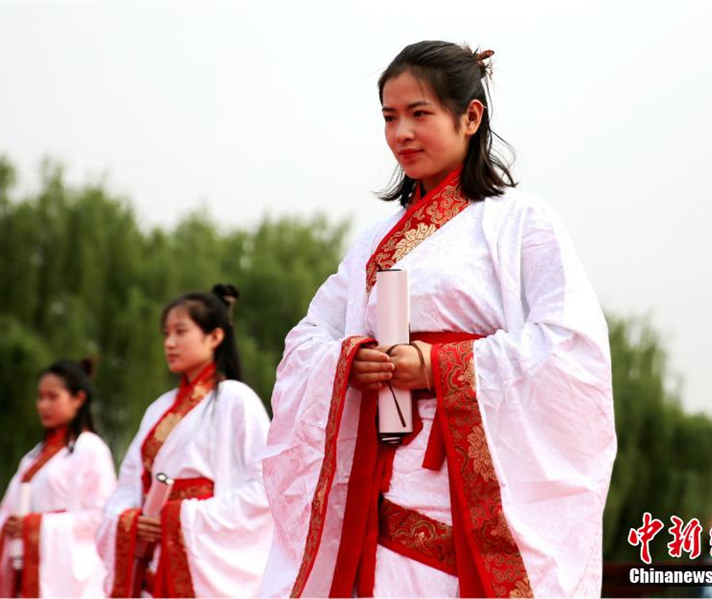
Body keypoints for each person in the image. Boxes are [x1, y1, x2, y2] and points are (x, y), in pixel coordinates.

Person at [260, 40, 617, 598]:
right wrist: (352, 361)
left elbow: (571, 347)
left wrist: (441, 365)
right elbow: (308, 337)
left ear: (470, 117)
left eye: (419, 113)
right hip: (376, 476)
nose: (401, 132)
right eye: (389, 117)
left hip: (467, 481)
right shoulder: (373, 243)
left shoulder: (521, 222)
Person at [97, 284, 272, 598]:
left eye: (180, 332)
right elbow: (127, 487)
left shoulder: (237, 400)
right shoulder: (158, 409)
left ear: (215, 337)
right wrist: (132, 520)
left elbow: (267, 489)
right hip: (155, 553)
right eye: (166, 334)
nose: (170, 343)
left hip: (203, 557)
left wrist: (182, 517)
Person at [0, 359, 117, 598]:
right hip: (25, 571)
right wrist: (10, 526)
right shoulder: (32, 458)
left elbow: (101, 517)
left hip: (67, 580)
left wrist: (36, 525)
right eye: (40, 397)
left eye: (53, 397)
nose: (43, 405)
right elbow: (6, 511)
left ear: (78, 399)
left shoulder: (91, 450)